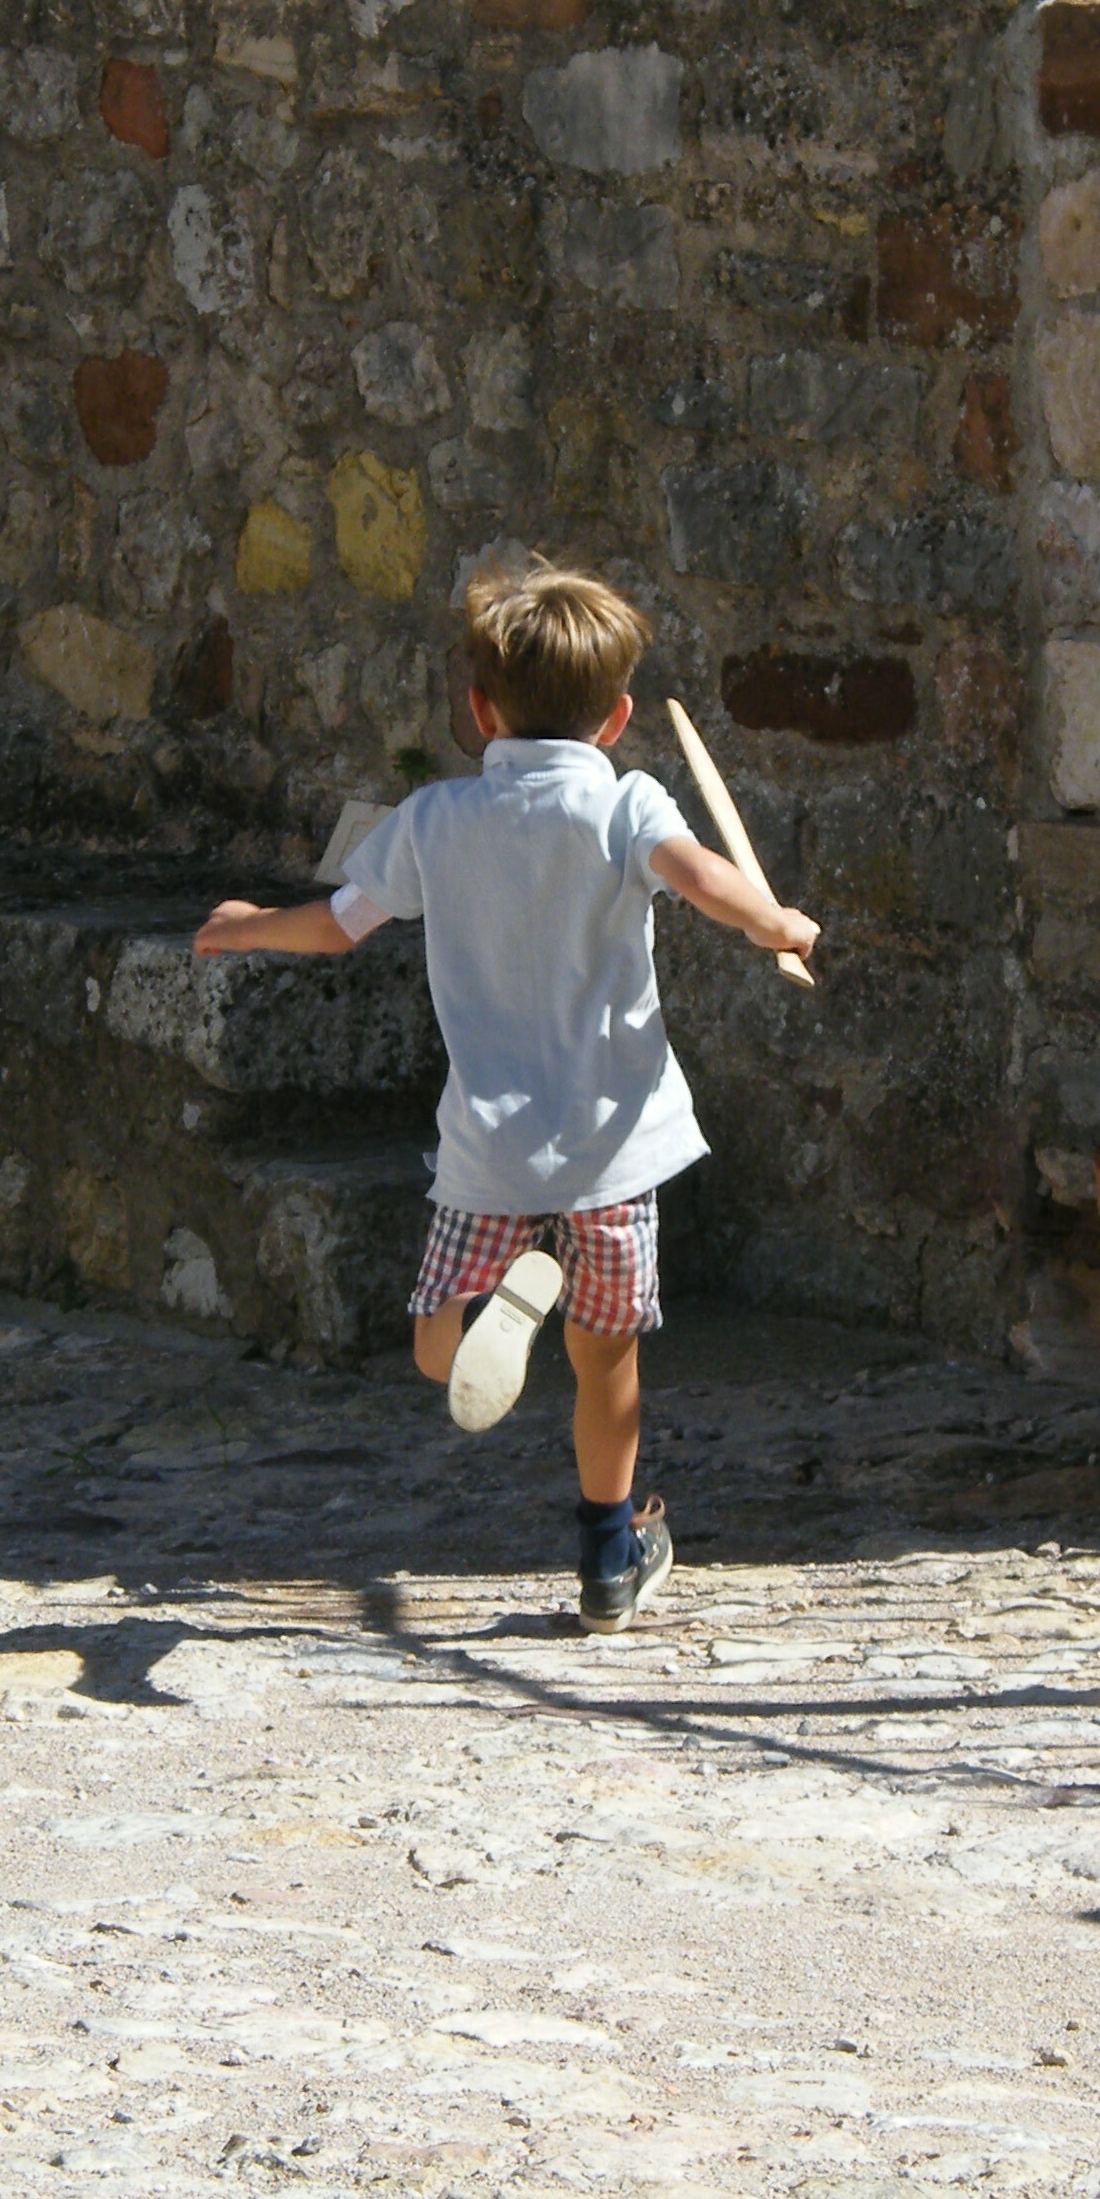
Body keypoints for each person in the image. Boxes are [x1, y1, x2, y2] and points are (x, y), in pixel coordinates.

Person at [193, 562, 820, 1634]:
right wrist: (779, 926)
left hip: (488, 1153)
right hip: (611, 1152)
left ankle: (491, 1309)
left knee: (439, 1356)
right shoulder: (627, 806)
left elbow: (337, 924)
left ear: (479, 710)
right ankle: (609, 1560)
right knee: (607, 1366)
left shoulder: (435, 819)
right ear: (618, 717)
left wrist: (245, 922)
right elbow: (711, 882)